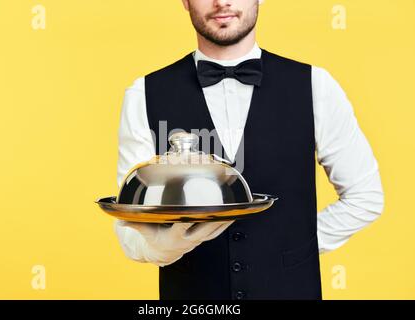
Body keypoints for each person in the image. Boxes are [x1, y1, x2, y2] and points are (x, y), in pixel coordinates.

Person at [113, 0, 384, 300]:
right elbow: (129, 230)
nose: (221, 2)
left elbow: (365, 197)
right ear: (185, 2)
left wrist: (293, 246)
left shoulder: (316, 86)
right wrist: (171, 243)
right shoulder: (144, 93)